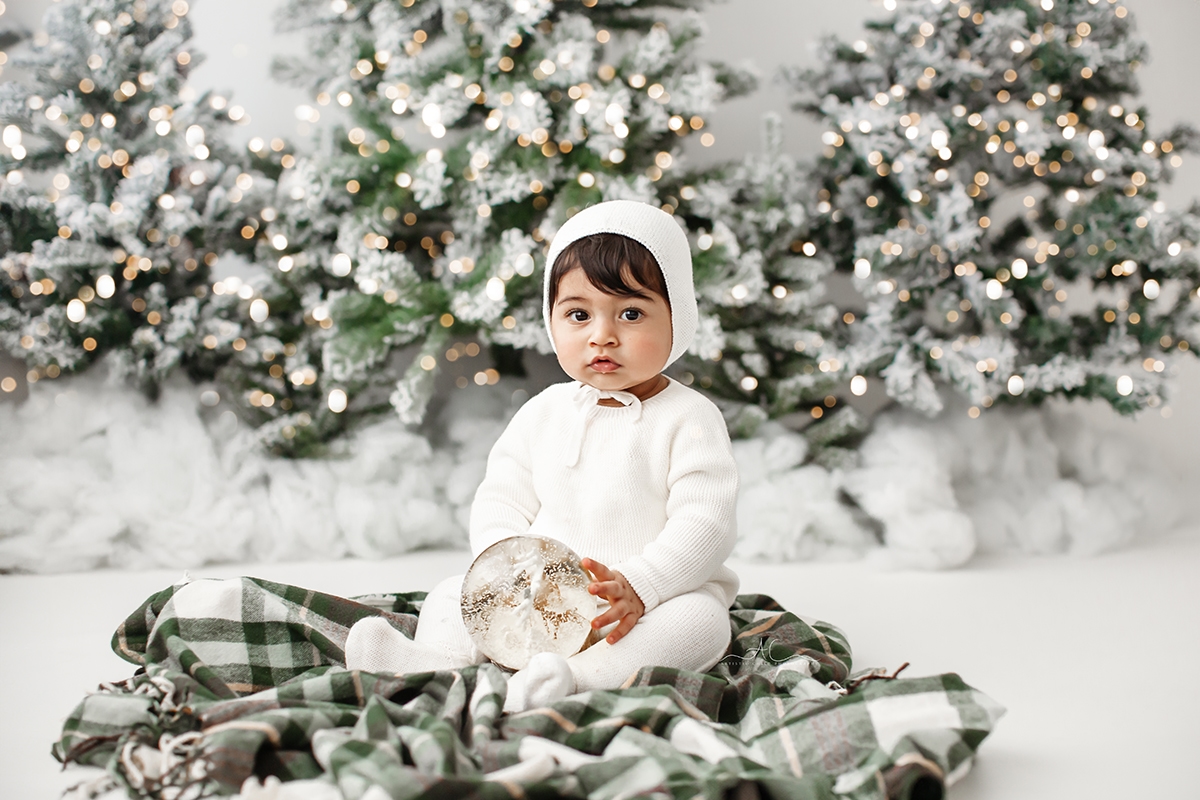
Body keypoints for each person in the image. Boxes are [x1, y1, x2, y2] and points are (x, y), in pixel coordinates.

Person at [345, 200, 740, 713]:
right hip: (537, 596)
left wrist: (643, 585)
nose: (603, 335)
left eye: (631, 313)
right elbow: (500, 499)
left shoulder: (690, 417)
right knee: (450, 591)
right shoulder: (544, 411)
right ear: (552, 321)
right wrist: (507, 566)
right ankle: (433, 664)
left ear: (678, 319)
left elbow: (706, 523)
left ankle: (572, 679)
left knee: (701, 623)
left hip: (636, 607)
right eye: (579, 314)